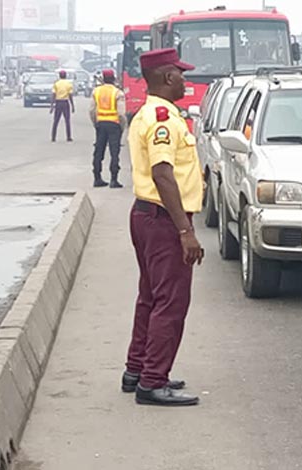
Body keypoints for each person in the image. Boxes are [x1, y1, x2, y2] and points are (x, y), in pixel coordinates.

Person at [123, 48, 204, 407]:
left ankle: (137, 370)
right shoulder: (163, 119)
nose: (186, 80)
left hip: (147, 215)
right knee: (171, 302)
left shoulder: (149, 113)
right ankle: (153, 382)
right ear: (168, 78)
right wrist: (185, 231)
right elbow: (162, 173)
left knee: (151, 297)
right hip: (163, 219)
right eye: (181, 74)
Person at [90, 69, 127, 188]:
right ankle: (114, 180)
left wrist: (95, 123)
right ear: (114, 78)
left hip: (101, 124)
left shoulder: (96, 91)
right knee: (114, 153)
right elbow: (121, 113)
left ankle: (97, 178)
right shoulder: (118, 93)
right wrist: (122, 126)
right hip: (114, 125)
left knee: (98, 151)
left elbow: (91, 110)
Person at [51, 70, 75, 142]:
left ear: (59, 76)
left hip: (58, 102)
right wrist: (72, 105)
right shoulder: (68, 84)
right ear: (65, 76)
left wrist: (52, 105)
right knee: (67, 121)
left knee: (56, 121)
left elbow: (53, 95)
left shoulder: (56, 84)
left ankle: (53, 137)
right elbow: (70, 95)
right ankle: (68, 137)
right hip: (65, 102)